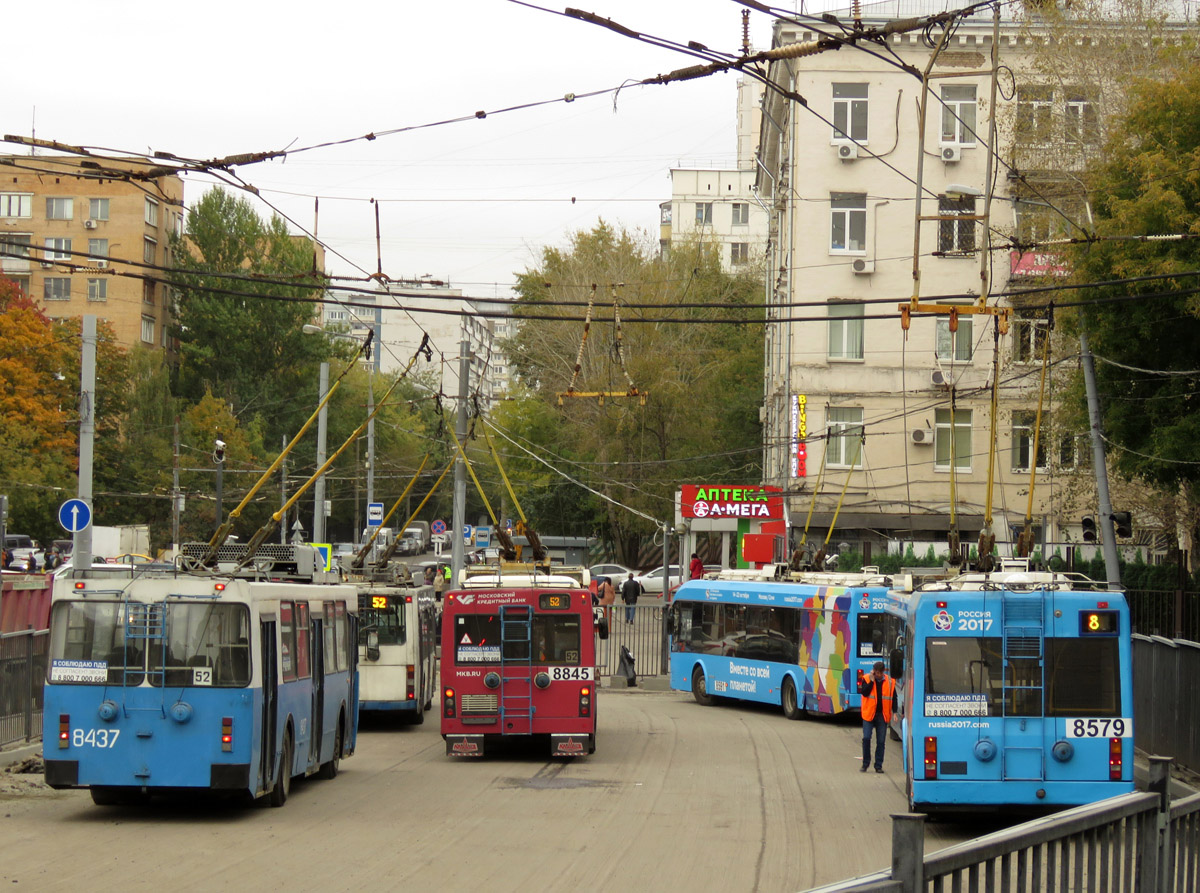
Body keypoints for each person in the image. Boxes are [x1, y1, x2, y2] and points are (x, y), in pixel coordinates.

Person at [858, 661, 897, 773]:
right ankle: (865, 764)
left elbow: (894, 698)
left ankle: (878, 765)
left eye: (880, 673)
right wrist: (871, 680)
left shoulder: (890, 682)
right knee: (866, 738)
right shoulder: (866, 679)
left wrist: (894, 712)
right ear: (873, 671)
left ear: (883, 672)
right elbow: (864, 693)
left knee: (881, 741)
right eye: (876, 673)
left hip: (882, 715)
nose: (878, 675)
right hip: (869, 714)